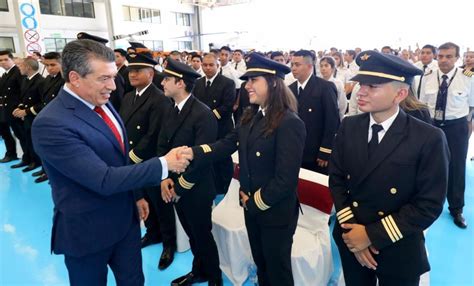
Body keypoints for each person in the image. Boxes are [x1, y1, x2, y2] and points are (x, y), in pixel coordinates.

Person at [31, 39, 190, 286]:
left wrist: (136, 196)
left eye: (114, 76)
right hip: (88, 231)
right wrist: (164, 164)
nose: (113, 86)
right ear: (75, 78)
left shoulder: (100, 102)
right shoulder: (52, 123)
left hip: (125, 222)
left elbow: (120, 157)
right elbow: (103, 179)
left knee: (134, 280)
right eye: (104, 78)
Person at [183, 52, 306, 286]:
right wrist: (194, 152)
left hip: (274, 211)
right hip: (250, 206)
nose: (247, 86)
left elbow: (285, 179)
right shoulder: (251, 116)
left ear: (272, 83)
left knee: (277, 269)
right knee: (261, 262)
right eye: (246, 81)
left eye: (253, 80)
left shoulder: (289, 123)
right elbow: (226, 144)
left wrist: (254, 201)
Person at [329, 50, 450, 286]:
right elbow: (337, 179)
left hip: (398, 245)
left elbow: (429, 204)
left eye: (372, 86)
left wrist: (370, 236)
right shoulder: (349, 126)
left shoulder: (428, 138)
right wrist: (353, 234)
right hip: (351, 237)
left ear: (400, 94)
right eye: (361, 84)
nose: (361, 91)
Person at [156, 58, 222, 286]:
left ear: (181, 83)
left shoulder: (203, 114)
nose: (162, 82)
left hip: (196, 188)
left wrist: (179, 187)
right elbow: (162, 146)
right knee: (192, 235)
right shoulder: (170, 109)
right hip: (174, 185)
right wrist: (164, 178)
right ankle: (199, 271)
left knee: (202, 236)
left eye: (167, 79)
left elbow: (202, 160)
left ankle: (215, 278)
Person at [118, 52, 176, 270]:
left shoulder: (159, 99)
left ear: (150, 74)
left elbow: (155, 134)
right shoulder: (128, 96)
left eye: (137, 71)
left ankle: (169, 244)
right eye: (131, 70)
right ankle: (153, 233)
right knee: (142, 198)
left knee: (161, 204)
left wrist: (132, 156)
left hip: (151, 160)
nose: (132, 74)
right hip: (134, 160)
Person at [419, 42, 474, 229]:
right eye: (441, 56)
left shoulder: (468, 78)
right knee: (429, 165)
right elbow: (423, 104)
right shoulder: (427, 76)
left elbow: (472, 106)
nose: (444, 60)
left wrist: (468, 129)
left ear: (457, 58)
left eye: (449, 56)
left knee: (457, 167)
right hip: (432, 125)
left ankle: (456, 209)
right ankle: (425, 203)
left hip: (456, 126)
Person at [289, 49, 340, 174]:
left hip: (315, 152)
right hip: (294, 150)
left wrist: (325, 150)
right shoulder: (290, 89)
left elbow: (332, 121)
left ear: (309, 66)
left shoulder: (325, 87)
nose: (293, 68)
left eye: (297, 64)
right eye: (292, 65)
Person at [193, 53, 236, 195]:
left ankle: (225, 186)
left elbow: (228, 106)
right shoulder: (197, 83)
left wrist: (207, 116)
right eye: (205, 65)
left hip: (221, 127)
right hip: (204, 129)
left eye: (211, 65)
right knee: (207, 156)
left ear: (217, 66)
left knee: (222, 158)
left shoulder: (227, 82)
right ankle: (211, 185)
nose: (207, 68)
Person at [30, 51, 65, 183]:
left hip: (59, 121)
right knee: (48, 149)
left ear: (61, 64)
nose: (49, 68)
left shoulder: (65, 80)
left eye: (53, 65)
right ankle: (47, 171)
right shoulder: (48, 79)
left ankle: (58, 175)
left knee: (59, 151)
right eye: (47, 65)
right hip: (47, 119)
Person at [13, 57, 45, 172]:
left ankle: (40, 164)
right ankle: (32, 160)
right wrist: (20, 107)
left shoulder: (40, 81)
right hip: (28, 117)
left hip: (36, 117)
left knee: (36, 142)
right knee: (28, 139)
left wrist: (26, 111)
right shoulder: (26, 80)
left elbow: (43, 103)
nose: (19, 68)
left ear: (28, 67)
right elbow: (25, 98)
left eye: (20, 66)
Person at [0, 50, 23, 163]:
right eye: (0, 60)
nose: (3, 62)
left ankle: (30, 158)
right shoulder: (5, 74)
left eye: (6, 59)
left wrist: (21, 107)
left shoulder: (18, 72)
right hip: (6, 109)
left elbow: (23, 91)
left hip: (15, 110)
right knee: (6, 133)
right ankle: (12, 153)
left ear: (12, 59)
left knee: (22, 135)